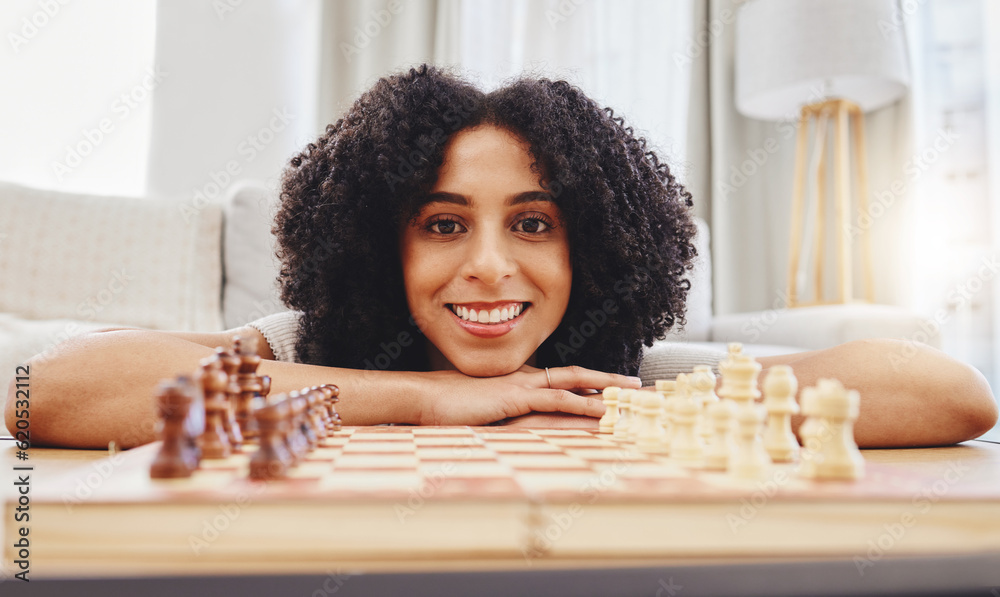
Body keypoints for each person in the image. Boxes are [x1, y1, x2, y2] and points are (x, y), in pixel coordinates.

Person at [6, 65, 997, 449]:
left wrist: (665, 405)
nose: (488, 266)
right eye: (443, 224)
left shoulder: (602, 373)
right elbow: (41, 394)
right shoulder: (307, 347)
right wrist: (425, 397)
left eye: (531, 223)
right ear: (380, 248)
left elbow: (953, 397)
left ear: (590, 248)